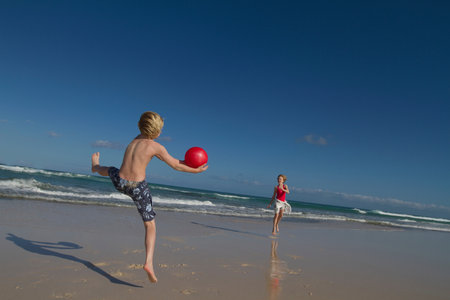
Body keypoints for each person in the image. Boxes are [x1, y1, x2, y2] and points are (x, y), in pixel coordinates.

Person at [91, 111, 208, 283]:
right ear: (159, 133)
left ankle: (95, 166)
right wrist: (195, 170)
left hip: (120, 182)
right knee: (150, 225)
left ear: (140, 127)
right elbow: (176, 164)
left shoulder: (135, 139)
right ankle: (149, 263)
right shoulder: (156, 147)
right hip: (137, 188)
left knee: (109, 169)